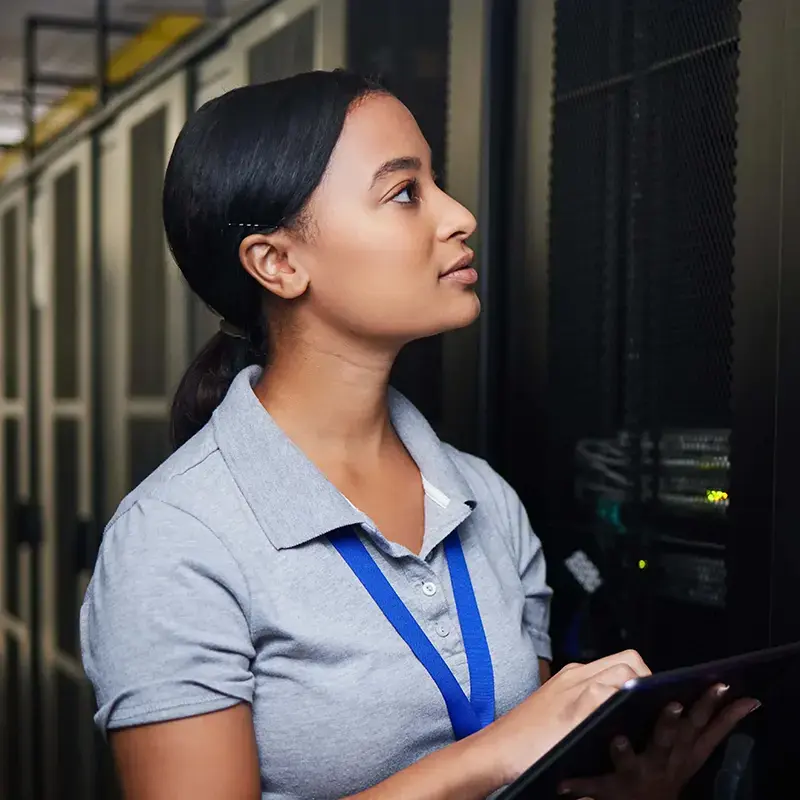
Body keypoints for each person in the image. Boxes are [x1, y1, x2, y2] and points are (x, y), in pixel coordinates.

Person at [79, 70, 756, 800]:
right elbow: (505, 753)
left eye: (436, 182)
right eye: (404, 193)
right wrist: (488, 755)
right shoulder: (175, 539)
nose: (458, 215)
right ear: (279, 262)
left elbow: (532, 778)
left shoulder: (484, 500)